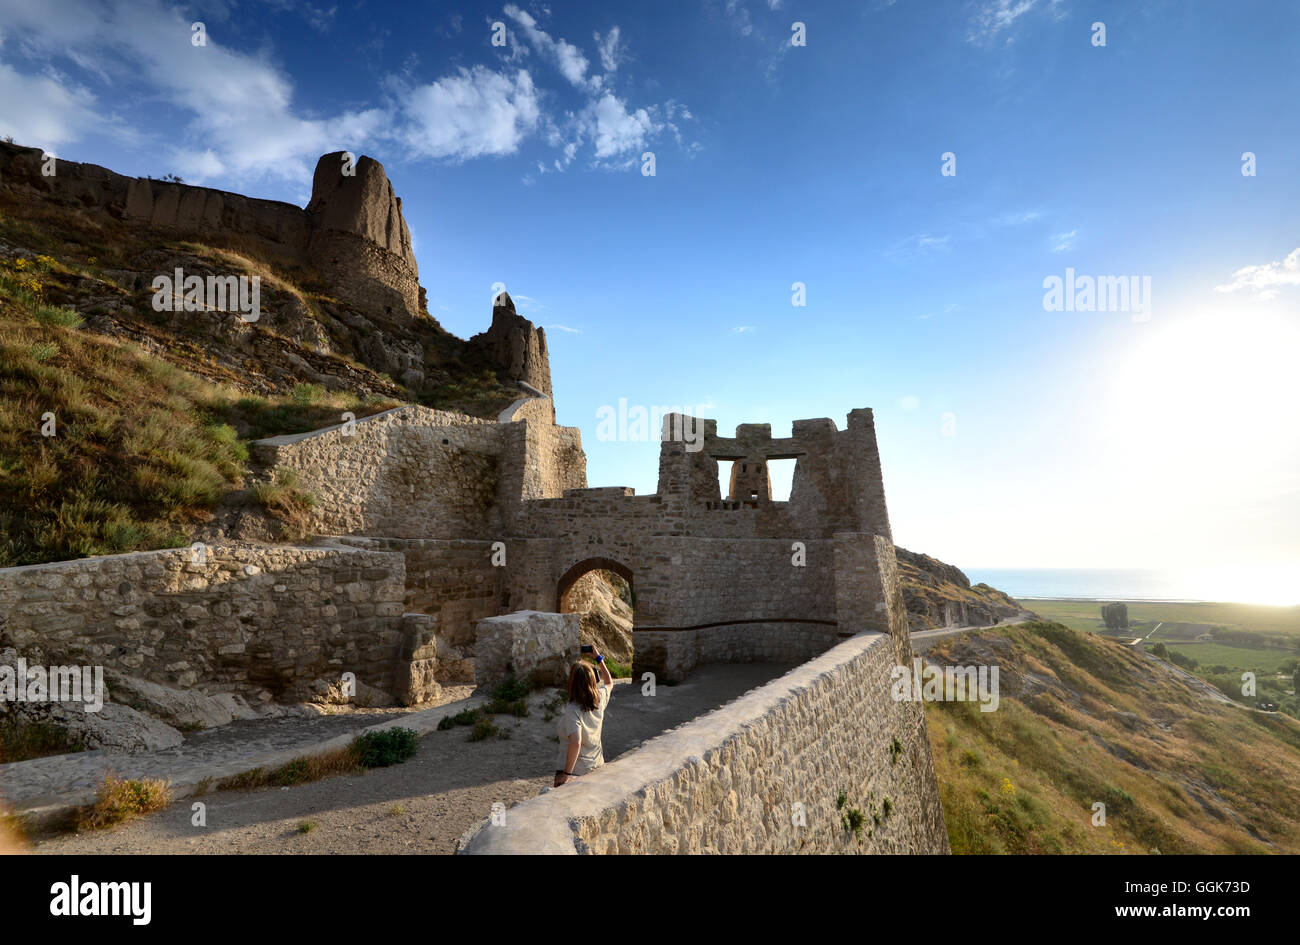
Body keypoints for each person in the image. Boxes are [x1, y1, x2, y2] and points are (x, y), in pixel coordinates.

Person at [554, 648, 613, 787]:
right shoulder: (599, 699)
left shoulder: (573, 709)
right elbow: (609, 683)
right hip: (596, 764)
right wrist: (598, 658)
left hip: (576, 771)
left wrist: (566, 774)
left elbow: (576, 742)